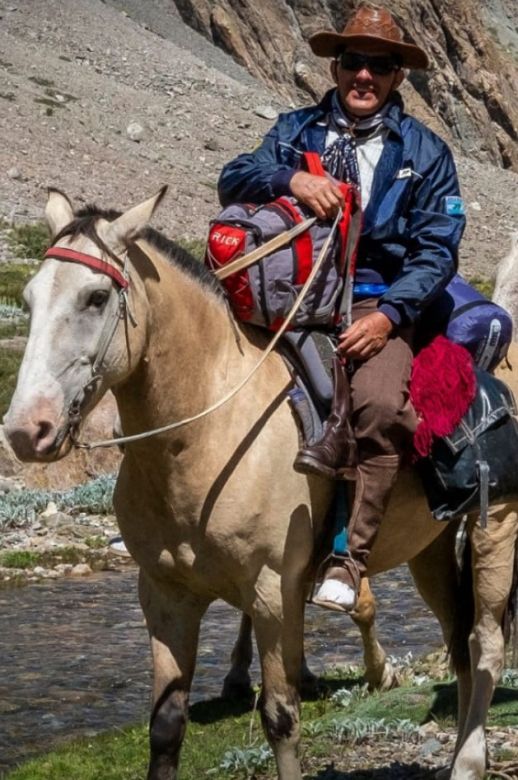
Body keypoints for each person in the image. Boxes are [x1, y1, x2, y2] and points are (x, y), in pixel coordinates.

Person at [217, 4, 466, 612]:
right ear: (335, 66)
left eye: (379, 66)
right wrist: (290, 181)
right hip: (296, 296)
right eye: (354, 62)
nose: (364, 76)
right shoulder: (295, 130)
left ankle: (348, 558)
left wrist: (387, 319)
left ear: (397, 77)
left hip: (378, 300)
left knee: (379, 405)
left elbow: (437, 251)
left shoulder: (426, 153)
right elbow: (234, 176)